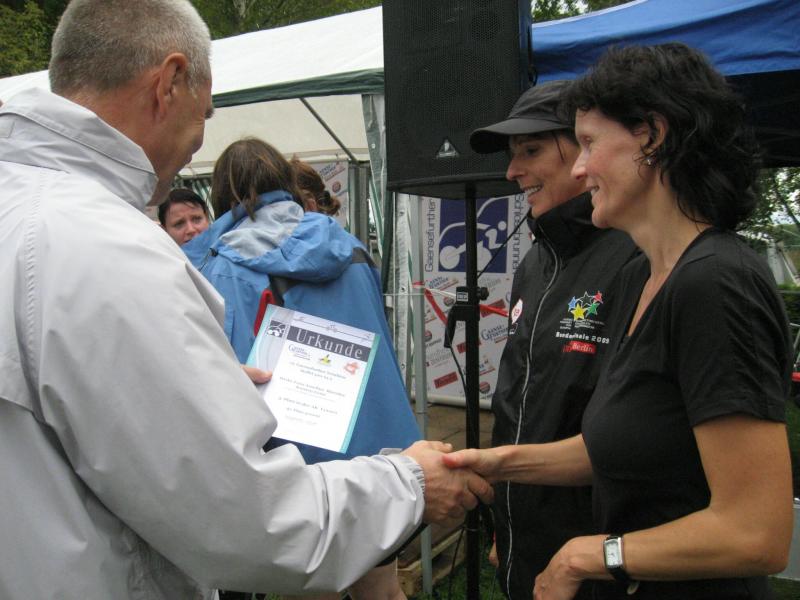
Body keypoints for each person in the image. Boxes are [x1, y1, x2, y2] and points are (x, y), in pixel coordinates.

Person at [0, 1, 493, 598]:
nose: (198, 142)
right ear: (169, 82)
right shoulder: (110, 247)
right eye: (205, 112)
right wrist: (410, 484)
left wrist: (188, 381)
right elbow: (247, 520)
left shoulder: (32, 215)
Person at [444, 43, 794, 600]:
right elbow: (616, 444)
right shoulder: (645, 277)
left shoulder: (715, 283)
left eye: (588, 143)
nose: (581, 168)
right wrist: (497, 464)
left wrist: (587, 555)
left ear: (651, 137)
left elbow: (755, 533)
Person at [183, 138, 420, 600]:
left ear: (222, 193)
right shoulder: (349, 245)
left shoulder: (222, 265)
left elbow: (230, 375)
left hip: (304, 469)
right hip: (380, 447)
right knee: (382, 589)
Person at [468, 81, 638, 600]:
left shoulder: (638, 258)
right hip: (527, 542)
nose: (512, 171)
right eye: (512, 154)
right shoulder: (537, 261)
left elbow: (638, 431)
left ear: (586, 152)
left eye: (531, 151)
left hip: (600, 555)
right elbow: (517, 400)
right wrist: (506, 519)